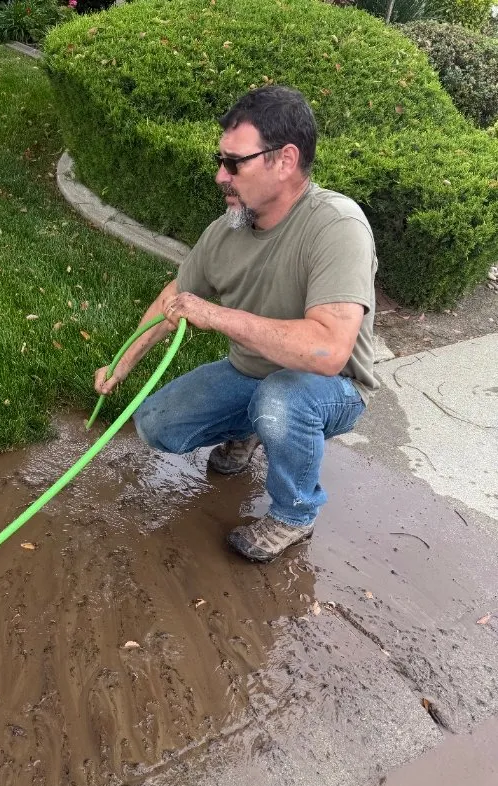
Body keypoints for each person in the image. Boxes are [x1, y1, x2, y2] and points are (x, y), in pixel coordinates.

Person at [94, 85, 379, 562]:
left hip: (333, 388)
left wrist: (215, 316)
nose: (220, 176)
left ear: (285, 161)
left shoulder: (337, 225)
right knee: (155, 424)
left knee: (282, 401)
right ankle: (254, 428)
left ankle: (295, 513)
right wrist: (122, 365)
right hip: (251, 373)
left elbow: (329, 351)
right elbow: (174, 297)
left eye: (234, 164)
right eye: (219, 160)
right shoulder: (226, 229)